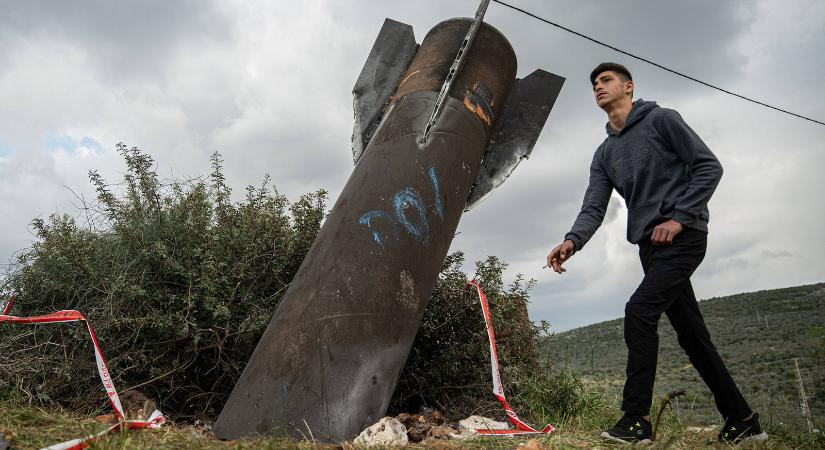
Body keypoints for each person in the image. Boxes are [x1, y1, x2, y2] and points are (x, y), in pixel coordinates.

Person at [546, 62, 768, 445]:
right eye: (594, 83)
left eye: (606, 80)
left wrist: (680, 218)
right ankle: (742, 420)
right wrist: (572, 241)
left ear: (628, 87)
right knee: (693, 338)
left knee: (639, 311)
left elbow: (708, 167)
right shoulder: (604, 153)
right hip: (650, 248)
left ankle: (636, 420)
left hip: (683, 238)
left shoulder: (662, 120)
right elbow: (593, 206)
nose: (598, 86)